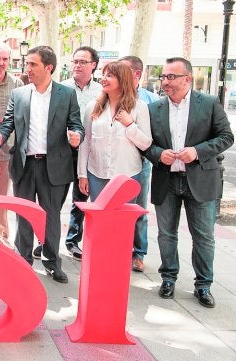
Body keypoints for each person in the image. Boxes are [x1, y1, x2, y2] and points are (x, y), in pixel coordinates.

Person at [0, 46, 83, 284]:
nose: (27, 69)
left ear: (48, 67)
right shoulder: (20, 94)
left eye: (33, 64)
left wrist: (76, 134)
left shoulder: (66, 94)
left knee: (51, 216)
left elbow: (76, 123)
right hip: (24, 164)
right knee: (23, 215)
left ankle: (52, 262)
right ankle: (23, 261)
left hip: (55, 166)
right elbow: (8, 123)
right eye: (27, 64)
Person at [145, 57, 234, 308]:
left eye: (170, 77)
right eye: (163, 77)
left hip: (200, 179)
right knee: (166, 234)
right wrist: (157, 154)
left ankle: (203, 285)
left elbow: (226, 137)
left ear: (187, 79)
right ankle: (168, 278)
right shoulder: (154, 109)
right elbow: (146, 145)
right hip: (167, 179)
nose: (165, 82)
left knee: (204, 236)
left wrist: (197, 151)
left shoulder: (208, 103)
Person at [77, 61, 152, 204]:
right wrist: (82, 174)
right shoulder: (92, 107)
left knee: (123, 222)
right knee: (100, 220)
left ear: (122, 79)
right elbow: (86, 142)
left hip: (127, 175)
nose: (103, 79)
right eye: (103, 75)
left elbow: (146, 144)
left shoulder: (139, 107)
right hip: (96, 174)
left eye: (110, 75)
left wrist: (130, 125)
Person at [52, 46, 102, 262]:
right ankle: (44, 239)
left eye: (83, 62)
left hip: (89, 154)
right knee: (54, 198)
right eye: (75, 61)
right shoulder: (60, 88)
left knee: (80, 199)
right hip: (63, 152)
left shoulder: (102, 92)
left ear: (94, 65)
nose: (78, 66)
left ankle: (73, 240)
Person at [119, 55, 160, 272]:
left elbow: (151, 136)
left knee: (138, 209)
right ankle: (117, 251)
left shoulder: (151, 101)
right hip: (115, 163)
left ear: (136, 74)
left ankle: (138, 253)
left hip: (141, 164)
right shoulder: (111, 94)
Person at [0, 43, 24, 248]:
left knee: (1, 195)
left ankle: (1, 235)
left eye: (5, 59)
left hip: (7, 149)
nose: (1, 63)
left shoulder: (17, 84)